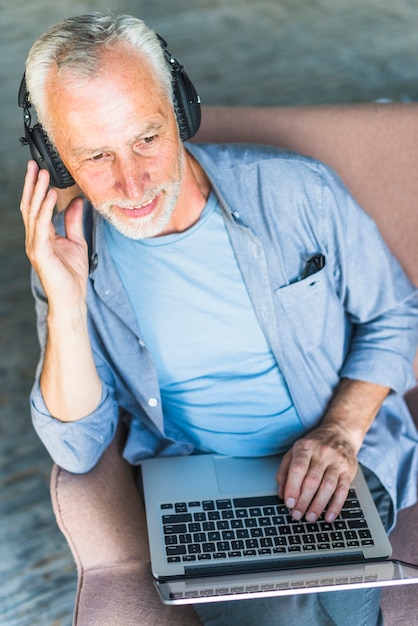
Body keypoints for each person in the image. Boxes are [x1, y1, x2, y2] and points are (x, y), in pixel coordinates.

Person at [20, 13, 418, 626]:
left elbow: (396, 312)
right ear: (54, 156)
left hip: (337, 454)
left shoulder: (296, 191)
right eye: (96, 155)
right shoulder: (66, 250)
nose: (132, 183)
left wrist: (340, 430)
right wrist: (67, 303)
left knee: (339, 592)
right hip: (197, 479)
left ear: (180, 107)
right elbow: (77, 445)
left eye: (146, 138)